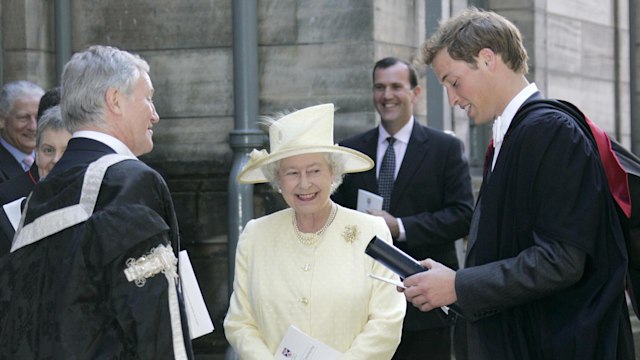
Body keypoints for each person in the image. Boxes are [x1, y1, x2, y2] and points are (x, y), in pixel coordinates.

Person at [401, 7, 635, 359]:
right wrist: (452, 279)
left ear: (487, 59)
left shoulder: (550, 131)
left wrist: (458, 285)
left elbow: (561, 260)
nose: (451, 99)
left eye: (453, 81)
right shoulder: (518, 133)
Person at [0, 45, 194, 359]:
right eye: (148, 97)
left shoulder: (39, 196)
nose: (155, 114)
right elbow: (155, 318)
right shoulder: (129, 181)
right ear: (115, 100)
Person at [223, 103, 406, 359]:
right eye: (292, 173)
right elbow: (240, 323)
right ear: (278, 180)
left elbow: (387, 321)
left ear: (333, 172)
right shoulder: (256, 236)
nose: (304, 183)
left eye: (314, 170)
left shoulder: (371, 232)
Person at [331, 57, 474, 359]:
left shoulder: (444, 149)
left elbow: (463, 216)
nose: (387, 95)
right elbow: (336, 217)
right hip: (364, 305)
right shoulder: (350, 150)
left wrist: (400, 226)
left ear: (416, 93)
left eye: (396, 86)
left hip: (424, 304)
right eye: (379, 87)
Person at [0, 105, 71, 255]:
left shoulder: (100, 198)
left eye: (66, 151)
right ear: (36, 152)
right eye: (48, 150)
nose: (56, 160)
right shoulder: (7, 203)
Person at [0, 80, 44, 183]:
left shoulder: (52, 157)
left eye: (39, 117)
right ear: (2, 119)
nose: (33, 127)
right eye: (23, 118)